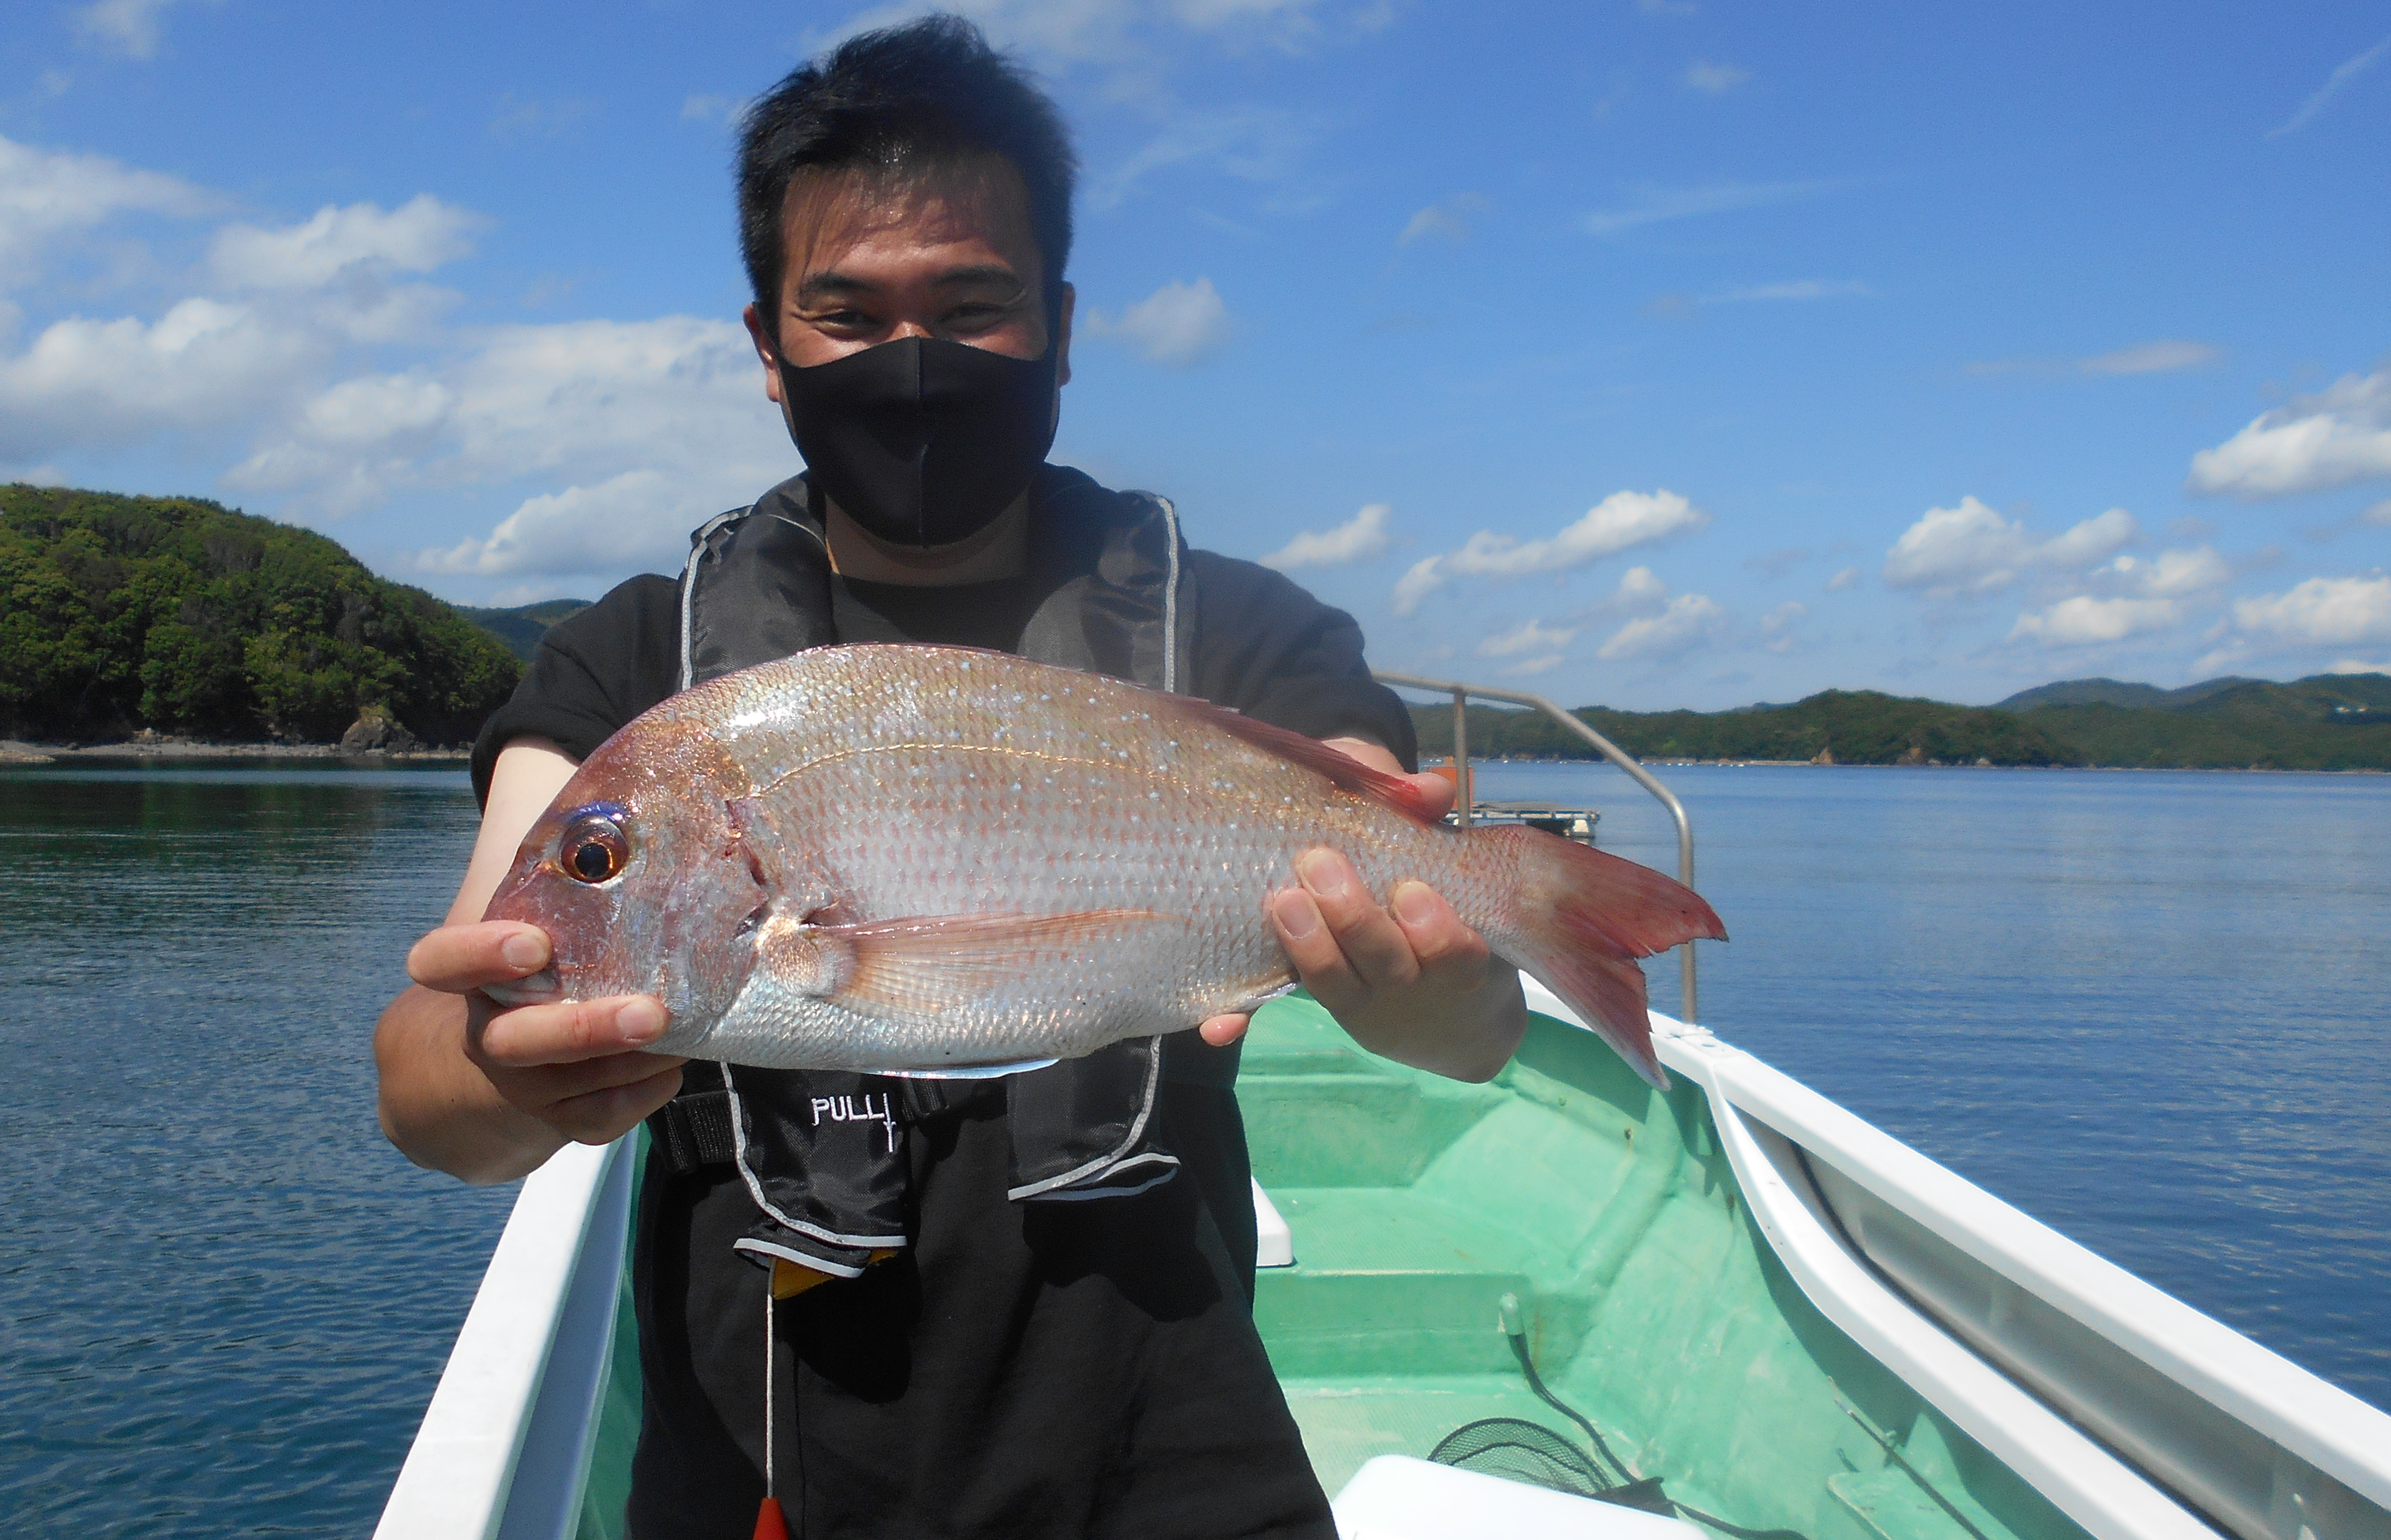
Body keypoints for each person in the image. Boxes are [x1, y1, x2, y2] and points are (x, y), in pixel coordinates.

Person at [372, 17, 1527, 1538]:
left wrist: (1433, 987)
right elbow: (430, 1083)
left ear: (1056, 320)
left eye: (969, 305)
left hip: (1171, 1442)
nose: (911, 361)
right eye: (845, 313)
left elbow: (1469, 1015)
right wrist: (507, 1074)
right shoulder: (641, 658)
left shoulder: (1239, 633)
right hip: (768, 1457)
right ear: (768, 349)